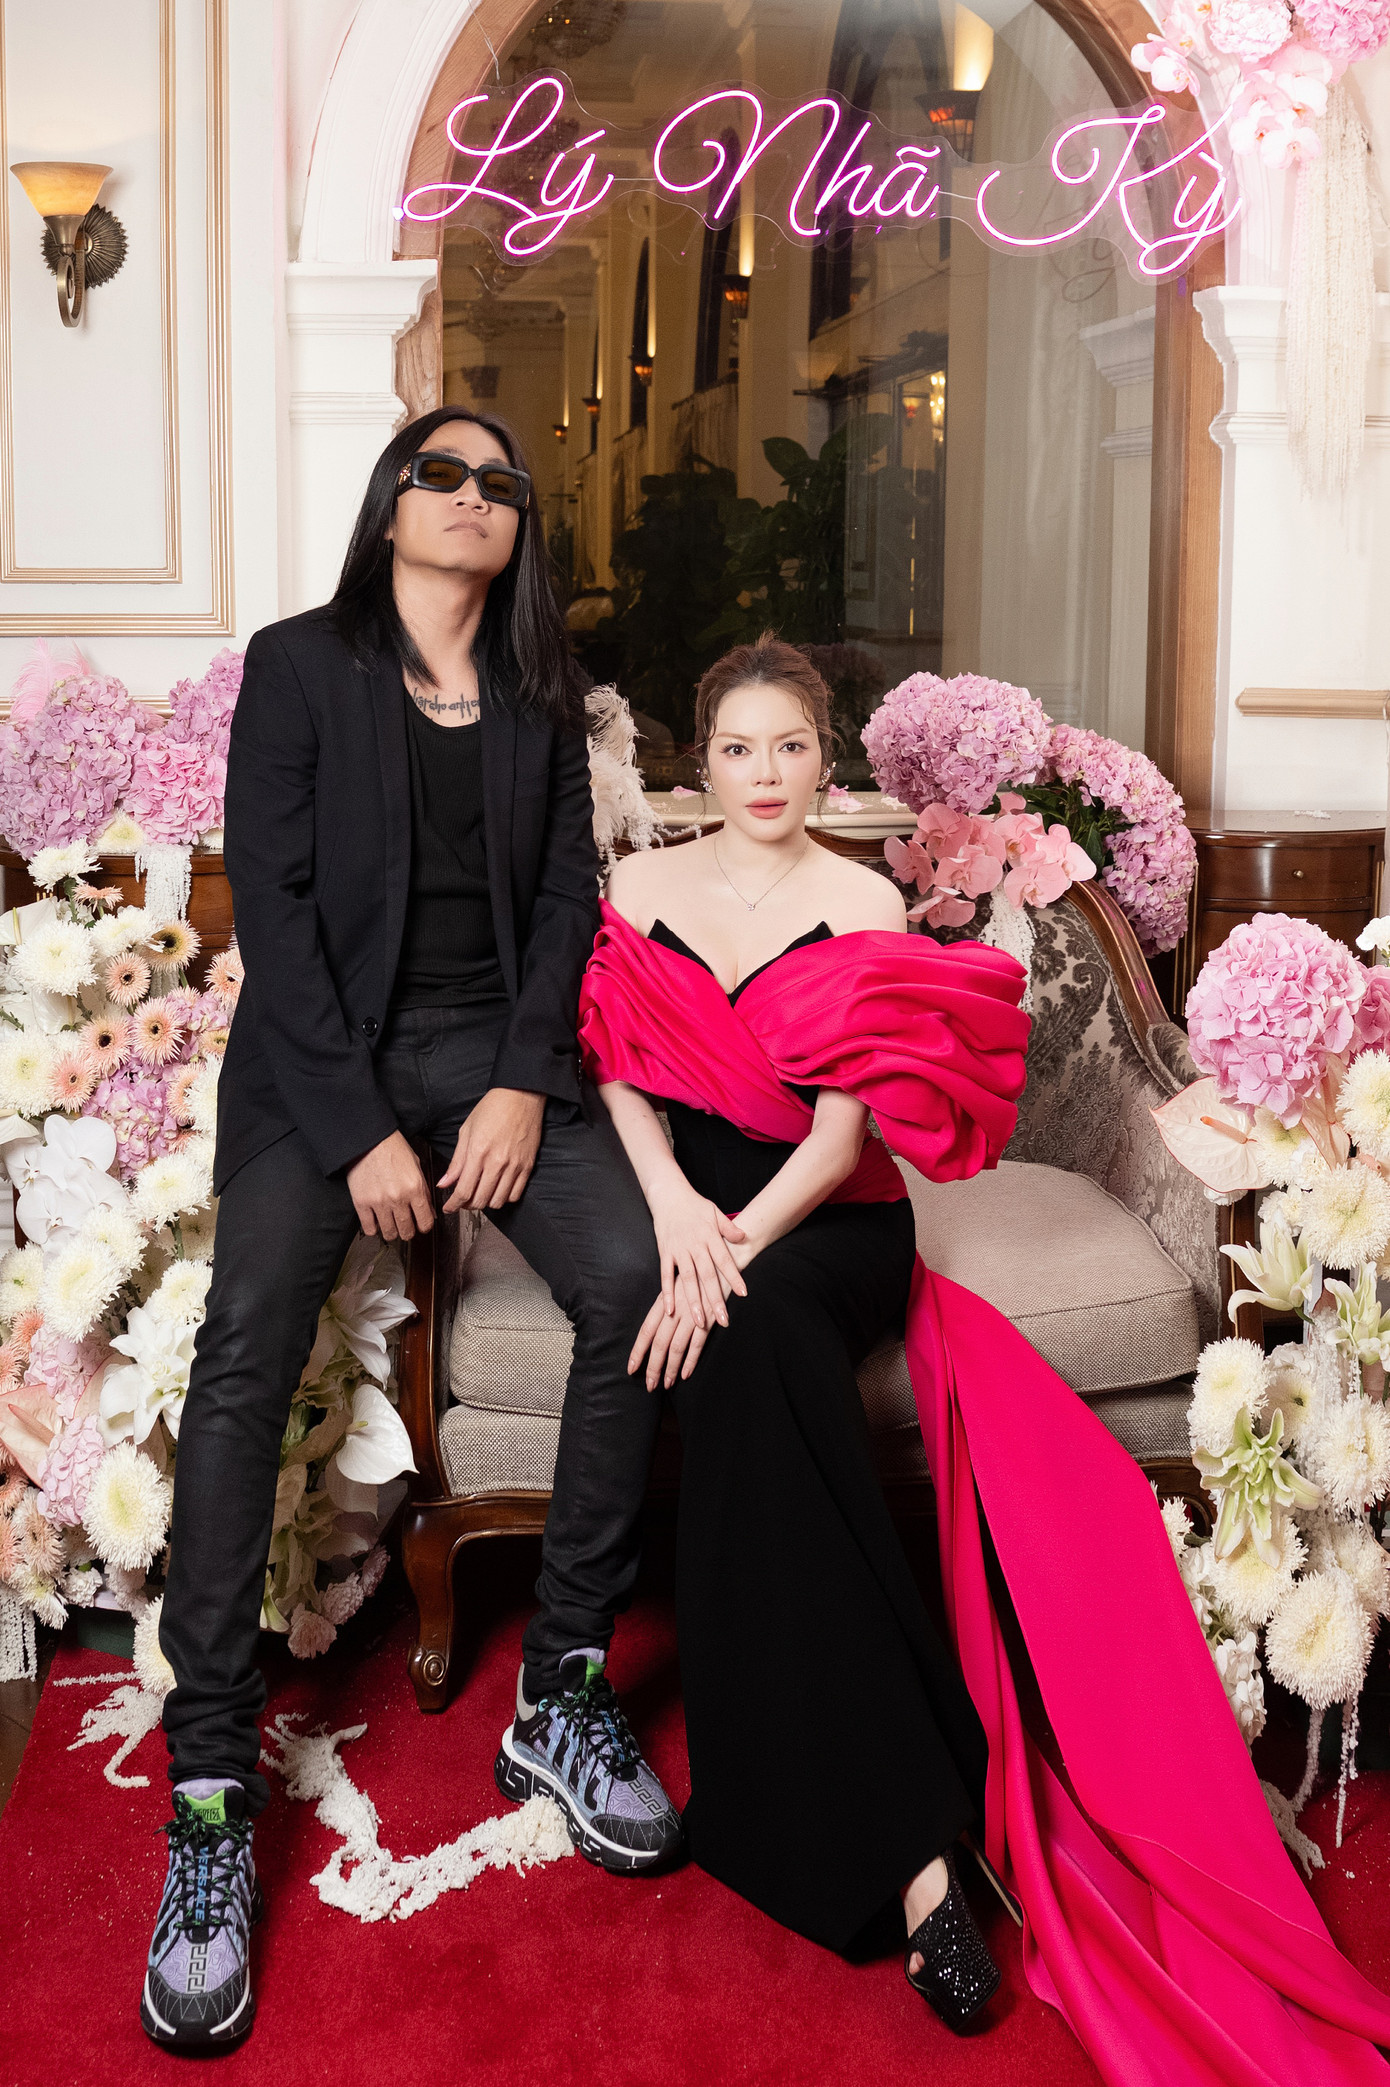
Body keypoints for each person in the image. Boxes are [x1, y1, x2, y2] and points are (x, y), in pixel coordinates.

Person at [573, 633, 1390, 2072]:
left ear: (824, 762)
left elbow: (843, 1134)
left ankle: (884, 1843)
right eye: (739, 750)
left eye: (790, 748)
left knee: (754, 1335)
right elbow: (621, 1077)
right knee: (752, 1367)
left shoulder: (857, 897)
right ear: (702, 763)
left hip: (822, 1217)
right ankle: (920, 1849)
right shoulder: (638, 888)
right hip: (694, 1208)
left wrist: (731, 1247)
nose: (765, 774)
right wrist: (675, 1223)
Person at [141, 408, 681, 2054]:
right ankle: (212, 1783)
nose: (468, 498)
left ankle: (559, 1684)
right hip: (326, 1065)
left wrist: (519, 1082)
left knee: (637, 1282)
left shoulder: (540, 697)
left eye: (497, 484)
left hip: (490, 1060)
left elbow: (566, 903)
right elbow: (275, 909)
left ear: (519, 527)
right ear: (389, 505)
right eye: (438, 474)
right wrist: (360, 1129)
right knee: (246, 1344)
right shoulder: (299, 666)